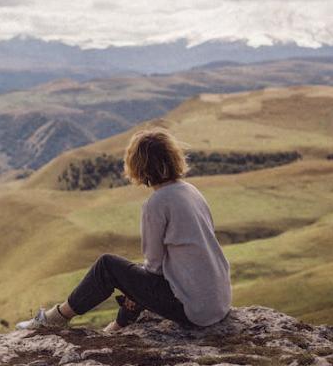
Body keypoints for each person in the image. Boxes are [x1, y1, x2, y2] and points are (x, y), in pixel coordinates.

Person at [16, 128, 232, 332]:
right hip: (218, 301)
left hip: (194, 310)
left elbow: (154, 267)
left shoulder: (157, 203)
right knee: (134, 274)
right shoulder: (191, 191)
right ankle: (118, 327)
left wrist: (133, 285)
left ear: (139, 166)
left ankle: (55, 318)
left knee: (107, 266)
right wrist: (135, 284)